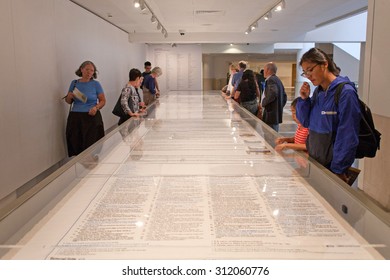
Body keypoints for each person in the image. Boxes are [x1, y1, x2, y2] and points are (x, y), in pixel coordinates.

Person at [296, 47, 361, 184]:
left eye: (310, 70)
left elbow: (348, 135)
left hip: (332, 168)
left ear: (324, 64)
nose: (308, 75)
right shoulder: (319, 92)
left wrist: (338, 169)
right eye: (305, 72)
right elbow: (306, 122)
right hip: (315, 162)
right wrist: (303, 100)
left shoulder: (345, 92)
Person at [64, 61, 106, 157]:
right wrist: (69, 96)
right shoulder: (74, 83)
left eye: (92, 70)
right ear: (81, 69)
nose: (89, 72)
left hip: (91, 116)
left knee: (91, 145)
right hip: (76, 117)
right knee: (76, 144)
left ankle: (91, 166)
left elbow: (103, 101)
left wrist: (96, 107)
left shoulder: (96, 84)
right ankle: (80, 168)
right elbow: (68, 101)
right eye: (87, 69)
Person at [261, 62, 287, 132]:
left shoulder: (271, 80)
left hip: (270, 114)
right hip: (275, 113)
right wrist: (279, 106)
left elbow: (273, 93)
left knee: (269, 136)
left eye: (264, 70)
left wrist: (264, 103)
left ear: (268, 70)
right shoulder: (277, 80)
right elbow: (284, 96)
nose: (263, 72)